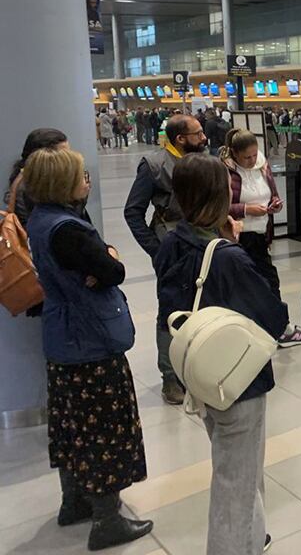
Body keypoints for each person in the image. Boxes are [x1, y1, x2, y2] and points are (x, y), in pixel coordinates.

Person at [154, 154, 287, 555]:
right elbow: (273, 317)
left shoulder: (171, 243)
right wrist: (233, 244)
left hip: (201, 373)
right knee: (235, 482)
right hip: (238, 380)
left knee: (240, 469)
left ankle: (253, 537)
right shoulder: (227, 257)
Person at [23, 147, 153, 551]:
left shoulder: (40, 220)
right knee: (103, 427)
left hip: (62, 337)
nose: (87, 181)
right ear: (62, 182)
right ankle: (107, 519)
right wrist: (109, 257)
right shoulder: (70, 230)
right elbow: (113, 270)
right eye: (81, 175)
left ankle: (74, 500)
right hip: (90, 342)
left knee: (73, 425)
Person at [124, 114, 231, 405]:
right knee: (171, 311)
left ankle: (200, 368)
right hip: (171, 243)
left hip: (206, 239)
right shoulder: (154, 166)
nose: (204, 137)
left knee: (207, 305)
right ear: (180, 138)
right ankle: (170, 377)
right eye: (197, 134)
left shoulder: (204, 161)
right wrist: (155, 249)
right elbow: (132, 211)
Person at [221, 129, 301, 347]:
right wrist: (246, 209)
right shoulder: (224, 171)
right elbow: (220, 206)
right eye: (246, 157)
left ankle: (275, 327)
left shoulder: (262, 164)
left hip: (261, 234)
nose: (252, 160)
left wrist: (275, 204)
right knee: (255, 282)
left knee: (268, 280)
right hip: (238, 236)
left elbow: (272, 192)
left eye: (254, 154)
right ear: (234, 154)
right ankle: (275, 327)